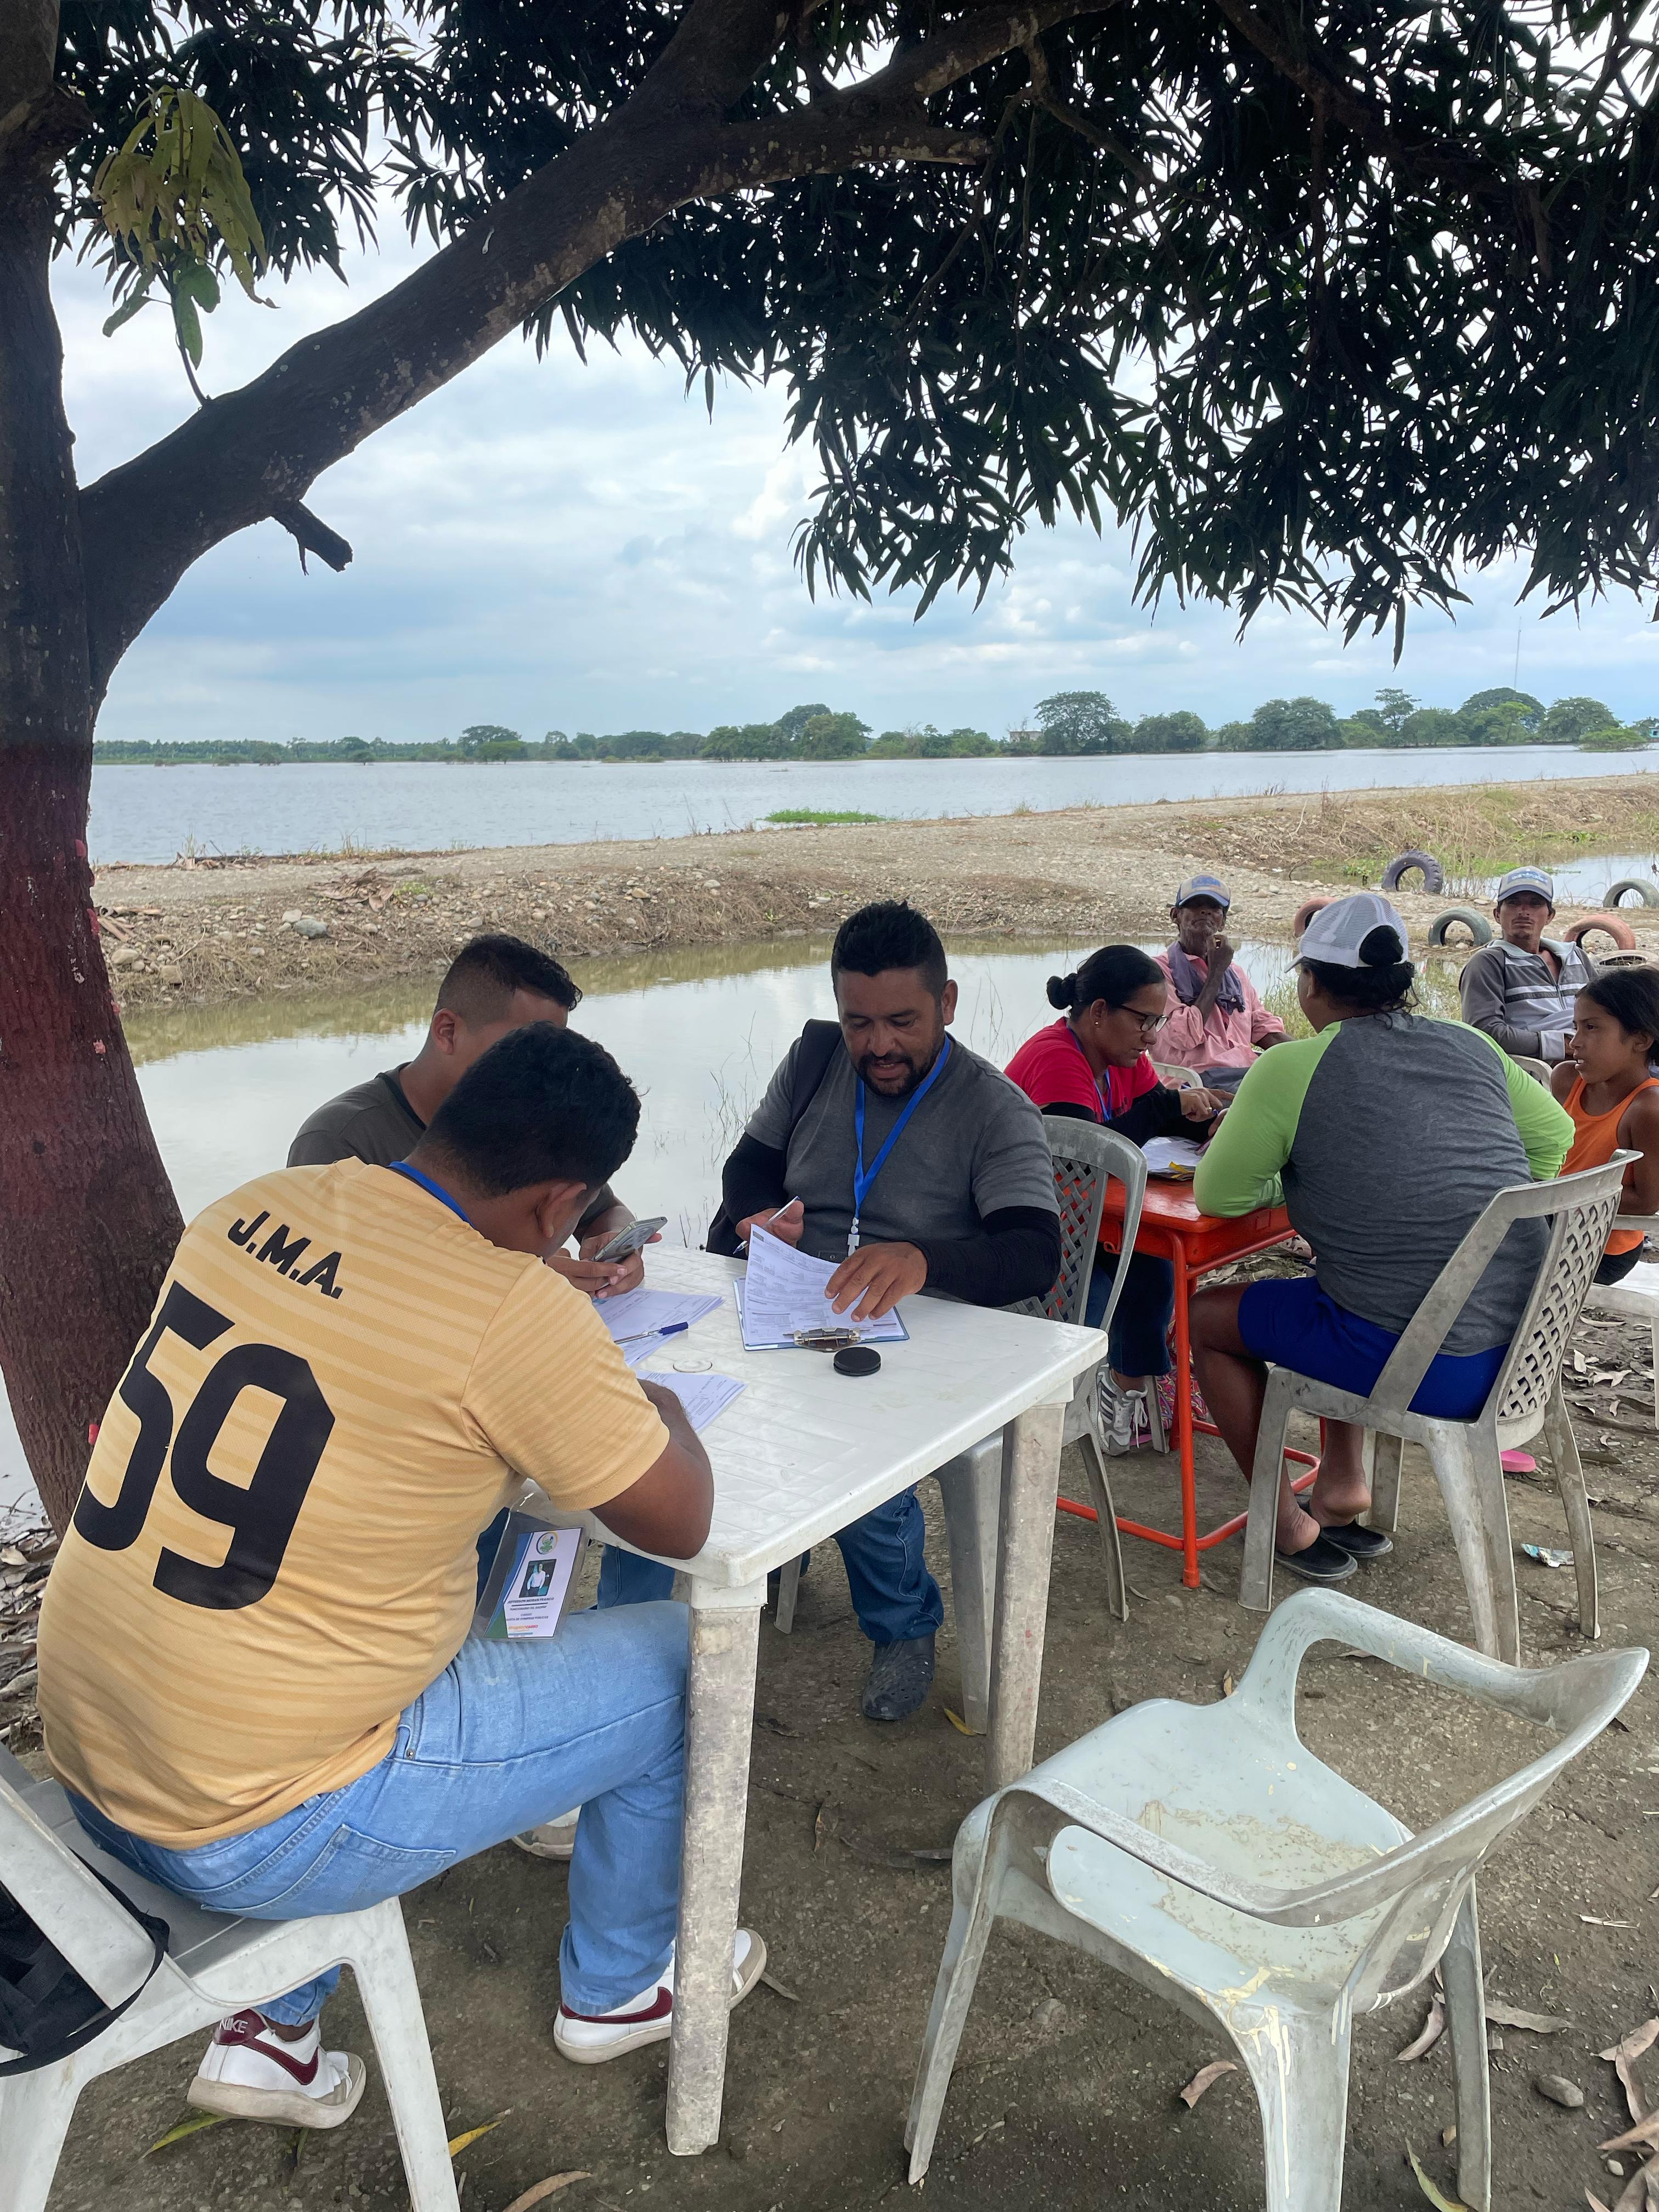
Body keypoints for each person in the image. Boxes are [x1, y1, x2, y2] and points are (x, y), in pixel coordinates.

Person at [38, 1025, 765, 2130]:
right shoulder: (512, 1310)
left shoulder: (256, 1205)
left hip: (93, 1770)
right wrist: (651, 1402)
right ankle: (621, 1987)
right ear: (558, 1205)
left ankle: (275, 2029)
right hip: (251, 1832)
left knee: (394, 1590)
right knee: (685, 1665)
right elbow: (680, 1517)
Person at [692, 900, 1059, 1723]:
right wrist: (756, 1217)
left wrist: (925, 1259)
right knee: (682, 1401)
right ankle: (742, 1567)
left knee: (849, 1438)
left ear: (947, 1004)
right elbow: (746, 1167)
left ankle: (903, 1626)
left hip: (917, 1335)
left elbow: (1036, 1252)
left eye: (902, 1022)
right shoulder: (815, 1059)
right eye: (860, 1022)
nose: (879, 1046)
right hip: (792, 1306)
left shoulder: (994, 1108)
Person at [1188, 892, 1573, 1584]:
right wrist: (1479, 1210)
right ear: (1403, 982)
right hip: (1522, 1352)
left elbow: (1220, 1195)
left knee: (1206, 1318)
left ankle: (1284, 1522)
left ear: (1310, 984)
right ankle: (1341, 1483)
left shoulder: (1290, 1067)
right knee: (1347, 1283)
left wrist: (1302, 1180)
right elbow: (1555, 1136)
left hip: (1430, 1368)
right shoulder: (1472, 1044)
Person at [290, 933, 648, 1299]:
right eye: (520, 1044)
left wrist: (619, 1250)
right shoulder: (338, 1139)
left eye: (553, 1046)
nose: (541, 1063)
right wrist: (516, 1277)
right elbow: (325, 1280)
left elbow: (602, 1209)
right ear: (448, 1032)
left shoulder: (534, 1119)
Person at [1005, 946, 1229, 1453]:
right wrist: (1169, 1108)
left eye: (1158, 1022)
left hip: (1087, 1220)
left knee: (1153, 1267)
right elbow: (1090, 1156)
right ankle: (1068, 1401)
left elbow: (1156, 1109)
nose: (1151, 1036)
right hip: (1034, 1230)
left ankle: (1125, 1391)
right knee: (1104, 1290)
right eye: (1144, 1021)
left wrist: (1209, 1119)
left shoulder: (1121, 1055)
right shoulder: (1057, 1057)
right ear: (1100, 1012)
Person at [1552, 968, 1659, 1283]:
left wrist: (1553, 1195)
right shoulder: (1567, 1080)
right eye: (1576, 1027)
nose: (1575, 1043)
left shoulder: (1647, 1109)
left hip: (1602, 1248)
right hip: (1552, 1223)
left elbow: (1647, 1201)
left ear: (1640, 1040)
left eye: (1591, 1027)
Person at [1153, 874, 1287, 1086]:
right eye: (1196, 905)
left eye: (1214, 908)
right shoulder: (1158, 972)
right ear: (1176, 915)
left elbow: (1263, 1028)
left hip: (1244, 1076)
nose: (1205, 912)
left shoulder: (1236, 973)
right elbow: (1185, 1037)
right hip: (1194, 1084)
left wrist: (1312, 1057)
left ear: (1222, 922)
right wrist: (1216, 973)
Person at [1458, 866, 1594, 1066]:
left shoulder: (1576, 957)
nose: (1523, 912)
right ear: (1497, 914)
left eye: (1535, 904)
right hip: (1537, 1072)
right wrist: (1560, 1044)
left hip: (1597, 1061)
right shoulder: (1490, 962)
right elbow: (1484, 1031)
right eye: (1513, 903)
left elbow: (1609, 1010)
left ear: (1550, 916)